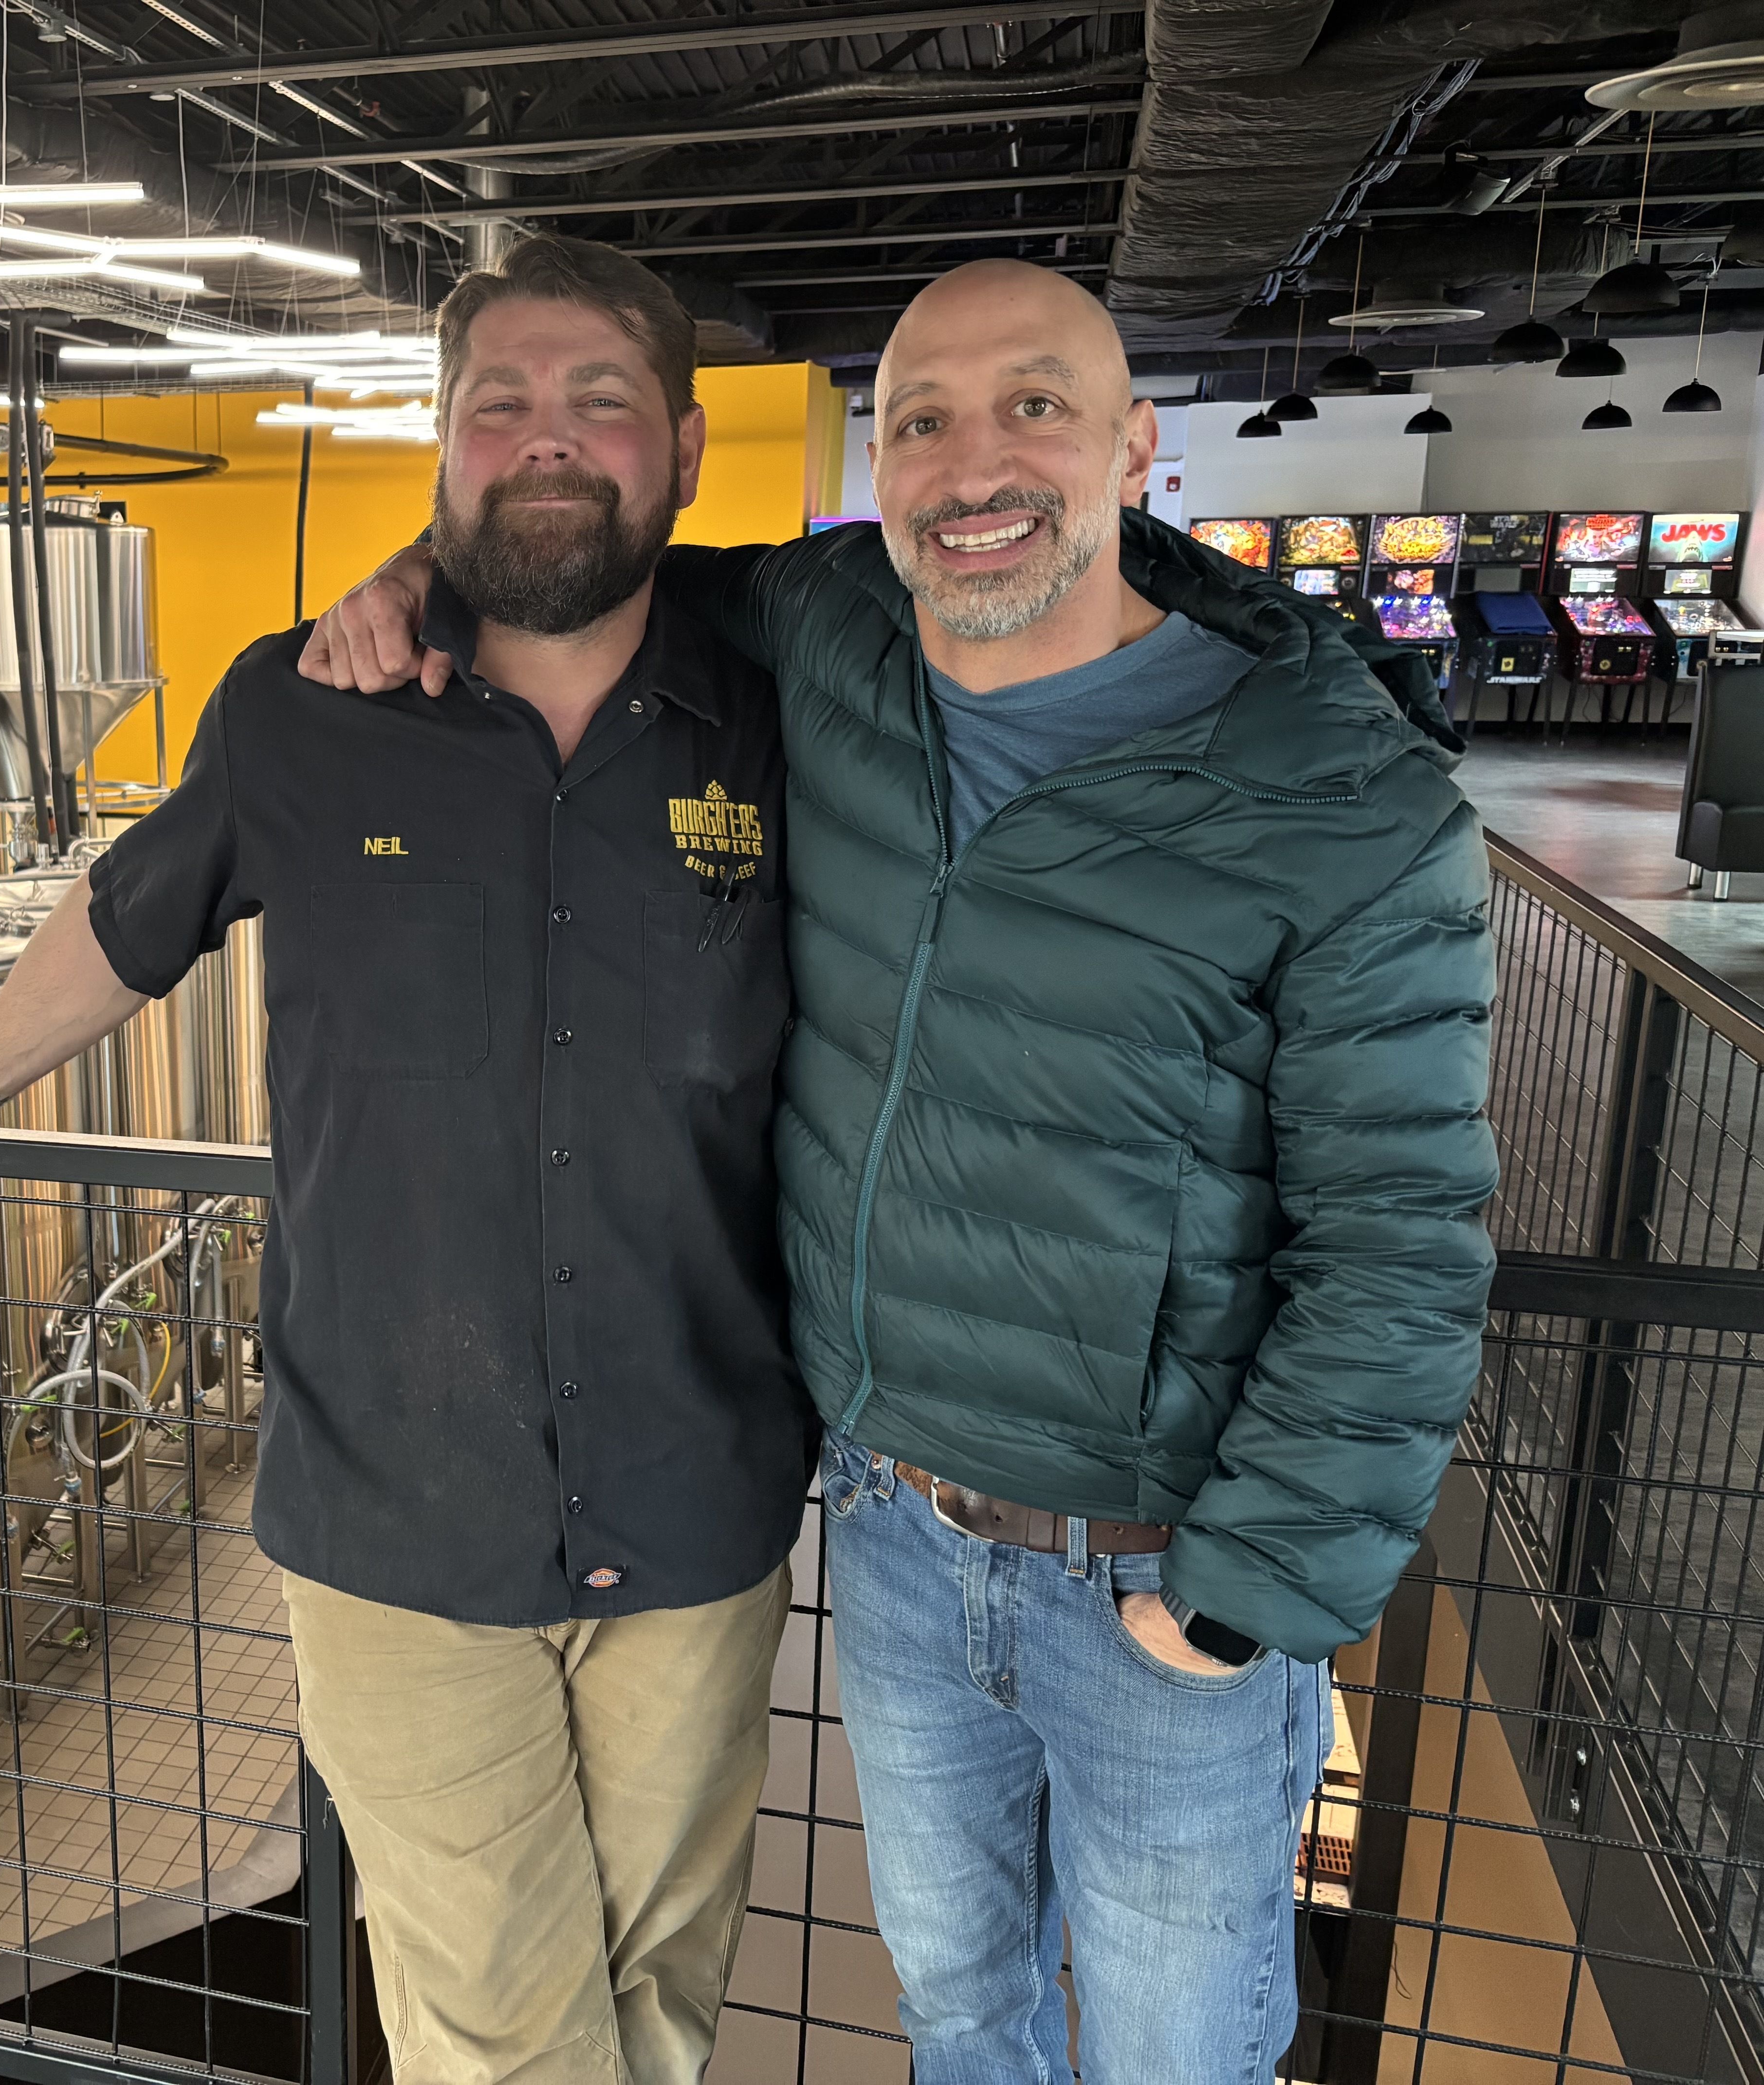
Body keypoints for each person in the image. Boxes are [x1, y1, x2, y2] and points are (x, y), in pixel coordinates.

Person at [300, 257, 1498, 2084]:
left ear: (1134, 448)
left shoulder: (1340, 798)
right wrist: (422, 576)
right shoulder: (834, 641)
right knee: (960, 2018)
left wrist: (1249, 1587)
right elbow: (592, 567)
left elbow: (1404, 1239)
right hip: (899, 1530)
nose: (971, 462)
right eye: (920, 419)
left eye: (1035, 404)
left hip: (1164, 1569)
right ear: (879, 470)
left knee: (1181, 2057)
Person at [0, 235, 816, 2085]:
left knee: (659, 1987)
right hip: (396, 1512)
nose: (547, 442)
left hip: (697, 1494)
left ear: (684, 451)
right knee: (502, 2022)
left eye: (599, 402)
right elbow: (133, 918)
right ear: (441, 451)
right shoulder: (302, 708)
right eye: (498, 406)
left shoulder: (780, 704)